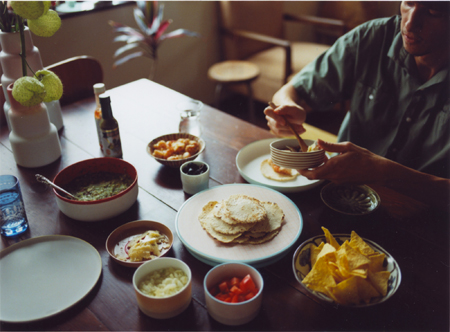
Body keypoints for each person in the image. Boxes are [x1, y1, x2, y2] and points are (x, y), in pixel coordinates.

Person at [264, 1, 449, 209]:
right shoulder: (372, 37)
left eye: (433, 11)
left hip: (429, 220)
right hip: (340, 196)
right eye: (408, 2)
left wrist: (385, 173)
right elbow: (291, 91)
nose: (410, 23)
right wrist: (286, 108)